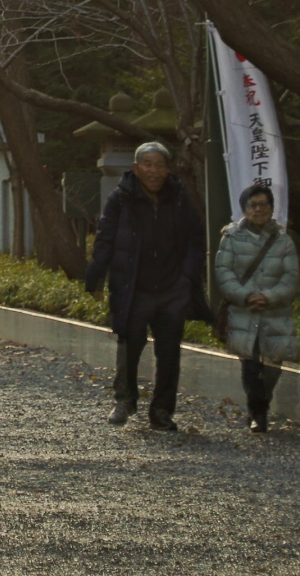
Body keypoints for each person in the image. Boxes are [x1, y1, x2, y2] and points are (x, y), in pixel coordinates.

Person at [86, 141, 204, 431]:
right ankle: (124, 400)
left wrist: (187, 277)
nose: (154, 171)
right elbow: (105, 239)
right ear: (136, 169)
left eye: (160, 165)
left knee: (169, 352)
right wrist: (95, 278)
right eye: (148, 165)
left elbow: (195, 240)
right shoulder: (120, 199)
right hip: (132, 286)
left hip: (171, 287)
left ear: (167, 169)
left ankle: (162, 412)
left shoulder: (178, 198)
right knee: (129, 346)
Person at [215, 181, 300, 433]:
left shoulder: (284, 242)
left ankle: (262, 402)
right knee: (250, 364)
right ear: (244, 209)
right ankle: (258, 413)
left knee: (274, 364)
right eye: (253, 205)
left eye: (264, 204)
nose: (258, 209)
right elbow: (224, 273)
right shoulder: (230, 238)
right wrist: (245, 296)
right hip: (244, 312)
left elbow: (291, 277)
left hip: (276, 312)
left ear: (271, 208)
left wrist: (269, 296)